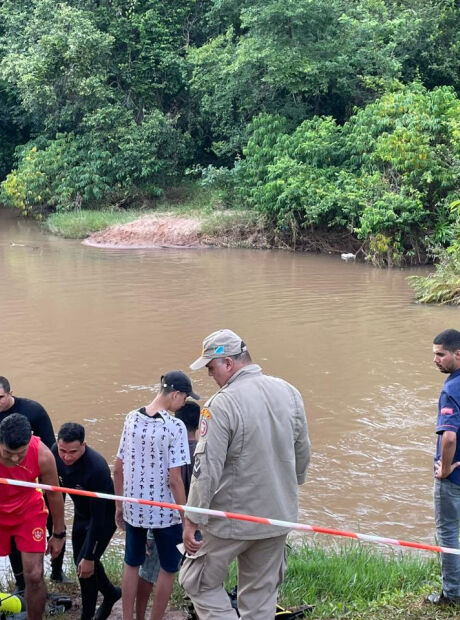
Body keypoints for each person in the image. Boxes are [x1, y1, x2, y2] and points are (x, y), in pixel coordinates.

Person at [179, 329, 311, 620]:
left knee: (196, 581)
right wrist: (291, 484)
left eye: (211, 368)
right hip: (278, 514)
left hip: (233, 519)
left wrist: (192, 517)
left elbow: (206, 468)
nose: (210, 376)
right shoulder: (289, 392)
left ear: (227, 363)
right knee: (260, 598)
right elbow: (303, 452)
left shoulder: (221, 404)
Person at [113, 370, 200, 620]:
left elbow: (118, 467)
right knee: (168, 567)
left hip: (134, 508)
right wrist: (185, 517)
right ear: (175, 394)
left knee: (132, 563)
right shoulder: (175, 427)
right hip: (165, 514)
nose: (183, 403)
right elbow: (175, 479)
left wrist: (119, 506)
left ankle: (128, 617)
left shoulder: (131, 418)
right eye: (184, 398)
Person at [0, 376, 67, 588]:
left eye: (0, 397)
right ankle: (22, 583)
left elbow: (50, 446)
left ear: (10, 393)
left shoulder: (33, 410)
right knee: (13, 537)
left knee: (53, 521)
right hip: (9, 481)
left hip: (37, 475)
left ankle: (57, 571)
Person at [136, 401, 201, 620]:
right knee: (188, 572)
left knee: (148, 571)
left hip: (160, 516)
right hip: (190, 520)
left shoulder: (164, 448)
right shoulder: (202, 453)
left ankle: (139, 616)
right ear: (200, 424)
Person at [52, 422, 121, 620]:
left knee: (86, 567)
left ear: (84, 445)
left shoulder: (96, 468)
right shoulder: (54, 452)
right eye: (63, 450)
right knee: (79, 562)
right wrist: (57, 529)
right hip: (82, 514)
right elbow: (56, 493)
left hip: (103, 518)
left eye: (72, 452)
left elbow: (99, 519)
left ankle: (87, 615)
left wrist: (90, 556)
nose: (66, 456)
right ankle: (111, 594)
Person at [426, 329, 460, 606]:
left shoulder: (450, 389)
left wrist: (445, 469)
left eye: (441, 354)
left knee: (448, 532)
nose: (435, 360)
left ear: (457, 354)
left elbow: (448, 436)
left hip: (453, 477)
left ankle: (452, 593)